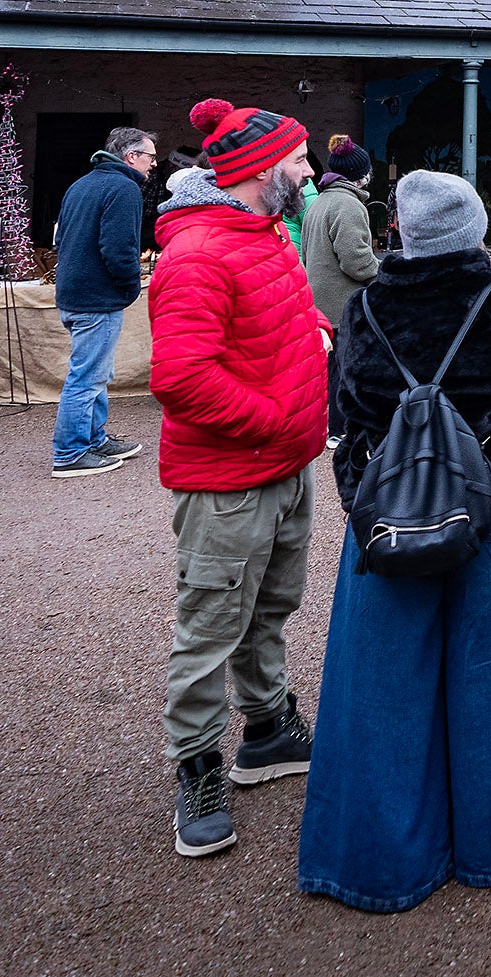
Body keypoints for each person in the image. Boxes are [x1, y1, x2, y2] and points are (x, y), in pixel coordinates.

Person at [299, 168, 491, 911]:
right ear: (474, 229)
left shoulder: (366, 308)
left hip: (390, 502)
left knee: (385, 677)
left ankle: (383, 862)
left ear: (402, 231)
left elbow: (347, 404)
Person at [150, 96, 330, 860]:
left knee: (268, 606)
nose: (310, 168)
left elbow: (278, 320)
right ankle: (197, 767)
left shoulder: (263, 230)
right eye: (298, 159)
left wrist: (315, 330)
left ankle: (266, 730)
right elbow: (181, 377)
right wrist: (272, 419)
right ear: (261, 169)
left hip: (282, 466)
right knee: (210, 629)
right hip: (231, 477)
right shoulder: (198, 252)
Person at [50, 125, 155, 478]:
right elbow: (119, 249)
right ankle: (70, 452)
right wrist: (130, 287)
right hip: (97, 296)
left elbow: (58, 238)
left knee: (95, 372)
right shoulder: (124, 188)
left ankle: (92, 439)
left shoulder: (82, 184)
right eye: (150, 156)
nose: (153, 163)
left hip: (72, 291)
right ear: (131, 156)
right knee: (88, 376)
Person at [302, 135, 382, 333]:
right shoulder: (348, 205)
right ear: (361, 175)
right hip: (342, 314)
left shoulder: (320, 201)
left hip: (319, 310)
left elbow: (306, 255)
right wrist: (385, 276)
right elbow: (357, 262)